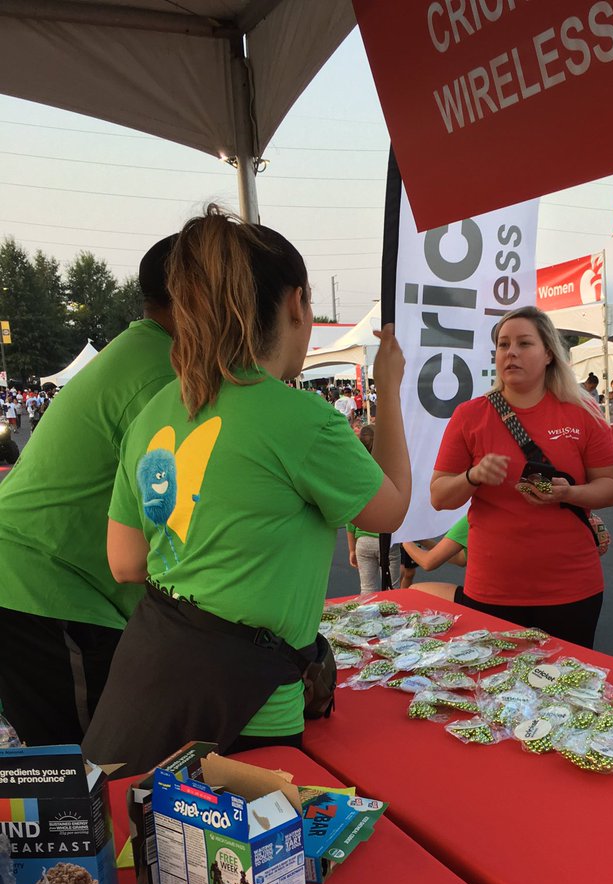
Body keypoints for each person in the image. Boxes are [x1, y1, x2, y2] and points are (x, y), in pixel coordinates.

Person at [83, 206, 410, 776]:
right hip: (248, 708)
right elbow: (391, 510)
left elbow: (126, 562)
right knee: (248, 836)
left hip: (147, 678)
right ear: (297, 304)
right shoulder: (301, 418)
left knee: (138, 825)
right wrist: (389, 388)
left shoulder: (155, 411)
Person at [0, 235, 179, 747]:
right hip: (47, 590)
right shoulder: (164, 377)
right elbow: (172, 534)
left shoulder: (145, 353)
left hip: (50, 585)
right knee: (95, 766)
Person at [431, 305, 613, 647]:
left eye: (524, 343)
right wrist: (473, 476)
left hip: (571, 588)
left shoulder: (582, 412)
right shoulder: (470, 415)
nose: (511, 353)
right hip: (492, 589)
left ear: (549, 353)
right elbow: (439, 497)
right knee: (493, 679)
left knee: (566, 679)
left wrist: (568, 493)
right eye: (503, 345)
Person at [347, 424, 401, 590]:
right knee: (392, 590)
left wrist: (352, 549)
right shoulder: (391, 474)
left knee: (367, 589)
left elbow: (351, 518)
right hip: (388, 540)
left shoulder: (357, 476)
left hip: (363, 540)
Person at [402, 514, 470, 602]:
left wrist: (403, 538)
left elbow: (427, 563)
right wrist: (424, 541)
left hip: (478, 599)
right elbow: (460, 559)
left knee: (413, 591)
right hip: (487, 595)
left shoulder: (469, 520)